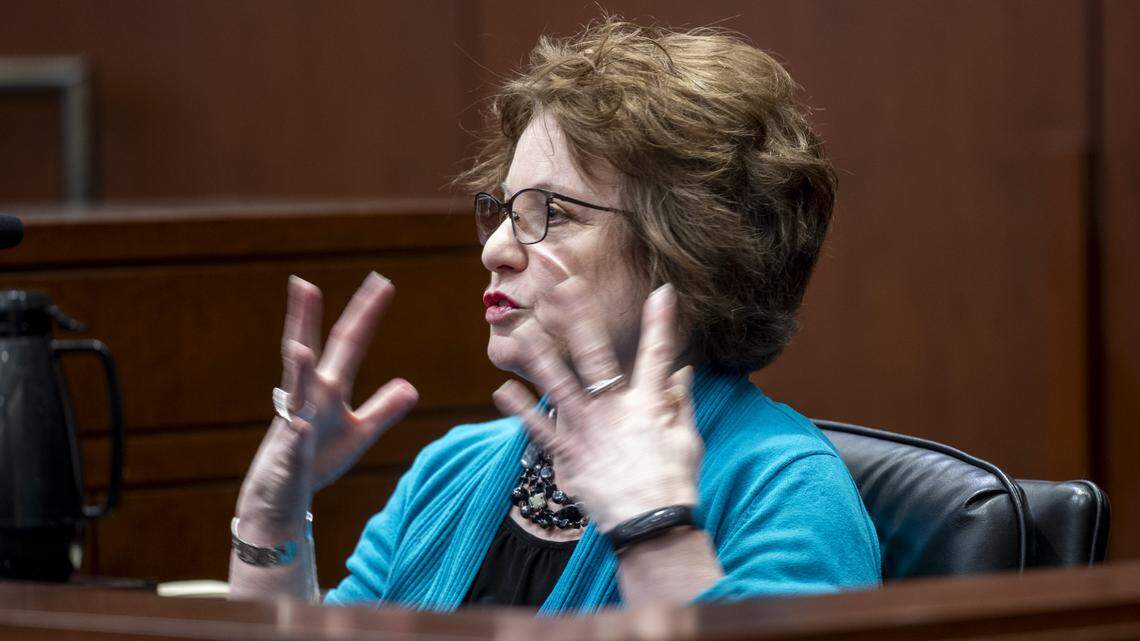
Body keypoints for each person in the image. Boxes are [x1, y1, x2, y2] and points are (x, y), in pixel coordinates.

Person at [228, 18, 881, 613]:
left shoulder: (787, 486)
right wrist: (270, 520)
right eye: (505, 210)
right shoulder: (451, 468)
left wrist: (653, 531)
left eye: (554, 213)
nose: (495, 249)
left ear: (688, 250)